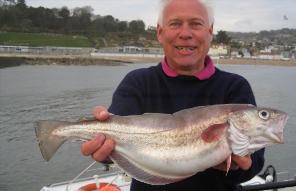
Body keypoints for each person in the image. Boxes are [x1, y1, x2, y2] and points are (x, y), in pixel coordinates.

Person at [81, 0, 264, 190]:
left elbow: (254, 165)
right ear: (160, 33)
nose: (185, 34)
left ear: (210, 32)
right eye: (175, 24)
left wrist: (238, 166)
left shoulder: (235, 87)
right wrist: (104, 152)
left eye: (196, 24)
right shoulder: (138, 82)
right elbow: (114, 142)